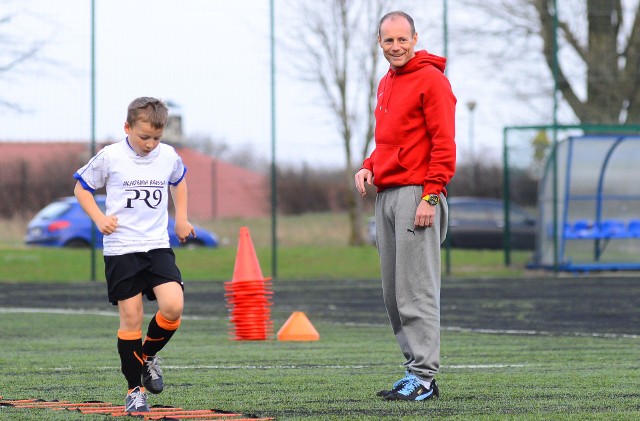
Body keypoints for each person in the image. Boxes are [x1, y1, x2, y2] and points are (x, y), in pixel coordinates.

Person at [355, 11, 456, 401]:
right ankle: (413, 369)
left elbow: (444, 144)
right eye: (388, 41)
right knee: (394, 293)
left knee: (416, 291)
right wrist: (368, 166)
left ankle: (425, 378)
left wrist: (431, 195)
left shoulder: (431, 80)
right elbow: (387, 142)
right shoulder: (386, 82)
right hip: (388, 195)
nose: (395, 47)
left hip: (419, 194)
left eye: (402, 39)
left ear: (415, 38)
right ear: (379, 42)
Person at [73, 97, 196, 412]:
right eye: (144, 137)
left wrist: (181, 218)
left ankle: (149, 356)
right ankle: (134, 390)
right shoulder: (110, 157)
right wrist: (99, 219)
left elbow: (179, 182)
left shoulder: (167, 156)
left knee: (173, 306)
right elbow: (81, 188)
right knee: (131, 318)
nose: (150, 144)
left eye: (156, 137)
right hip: (122, 248)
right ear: (127, 128)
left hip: (156, 245)